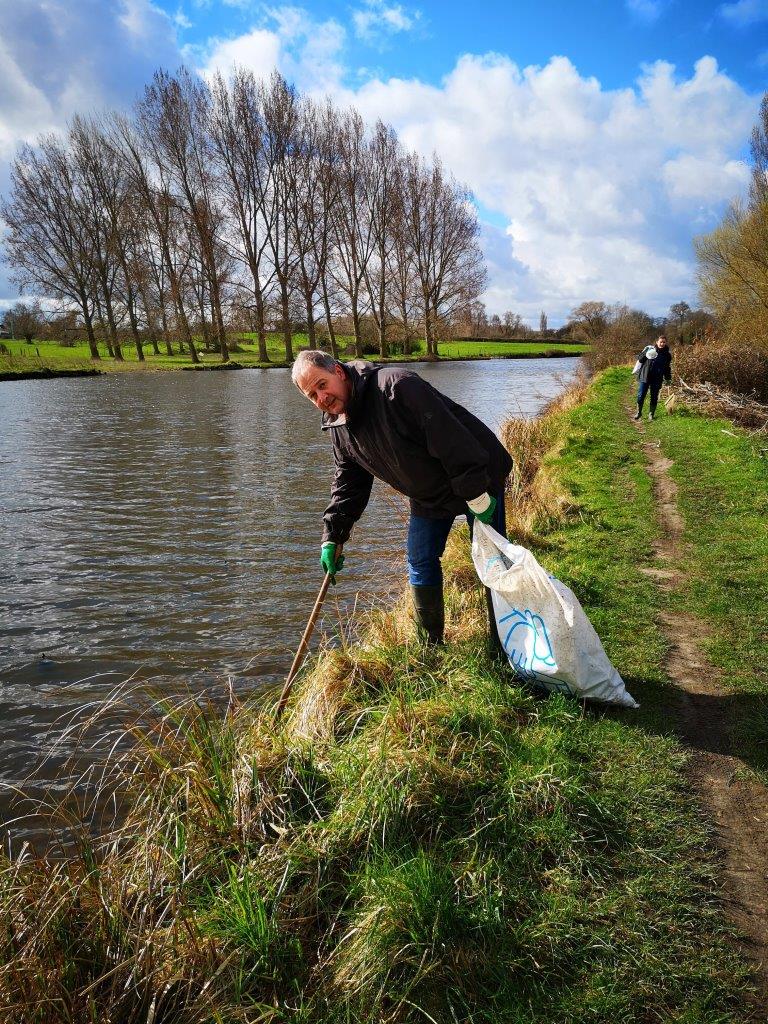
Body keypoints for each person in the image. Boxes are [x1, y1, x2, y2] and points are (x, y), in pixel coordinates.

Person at [292, 350, 513, 647]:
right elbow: (349, 482)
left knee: (491, 560)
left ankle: (506, 644)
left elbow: (452, 442)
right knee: (420, 560)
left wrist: (477, 496)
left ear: (339, 372)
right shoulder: (337, 424)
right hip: (429, 493)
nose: (321, 397)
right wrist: (333, 534)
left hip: (477, 475)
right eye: (312, 395)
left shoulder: (396, 387)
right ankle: (431, 647)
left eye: (322, 384)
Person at [634, 335, 672, 421]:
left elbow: (667, 368)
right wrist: (646, 353)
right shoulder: (649, 349)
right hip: (645, 376)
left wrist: (668, 378)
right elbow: (640, 359)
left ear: (665, 343)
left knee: (654, 396)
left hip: (657, 378)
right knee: (640, 396)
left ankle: (651, 414)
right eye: (660, 342)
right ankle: (639, 412)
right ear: (657, 342)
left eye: (664, 342)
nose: (662, 344)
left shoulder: (667, 355)